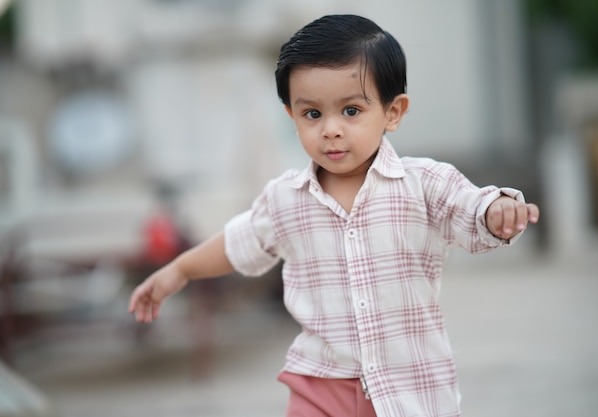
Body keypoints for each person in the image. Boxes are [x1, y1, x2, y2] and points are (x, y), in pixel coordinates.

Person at [129, 14, 540, 417]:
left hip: (410, 387)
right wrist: (180, 269)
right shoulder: (286, 198)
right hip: (319, 384)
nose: (330, 129)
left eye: (350, 111)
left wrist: (496, 210)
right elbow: (240, 242)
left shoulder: (424, 183)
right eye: (312, 114)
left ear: (393, 112)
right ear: (291, 116)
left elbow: (468, 208)